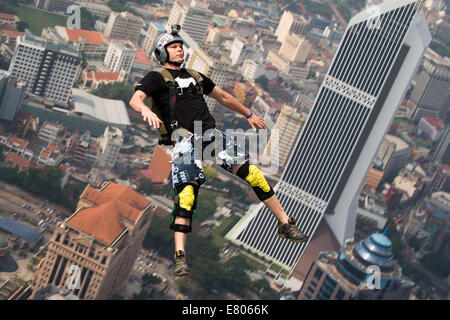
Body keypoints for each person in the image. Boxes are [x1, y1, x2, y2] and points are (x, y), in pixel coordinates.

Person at [130, 26, 308, 277]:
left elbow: (222, 96)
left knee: (253, 174)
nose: (179, 48)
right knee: (187, 197)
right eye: (173, 46)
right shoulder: (156, 78)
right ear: (162, 53)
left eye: (180, 45)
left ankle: (285, 223)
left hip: (210, 134)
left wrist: (248, 114)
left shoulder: (195, 75)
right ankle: (180, 256)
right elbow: (136, 98)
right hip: (183, 140)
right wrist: (144, 109)